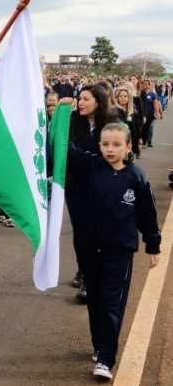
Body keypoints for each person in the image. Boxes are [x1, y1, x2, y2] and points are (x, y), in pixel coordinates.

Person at [62, 119, 161, 381]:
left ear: (128, 147)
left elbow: (147, 214)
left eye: (116, 144)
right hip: (89, 248)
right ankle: (99, 345)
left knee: (111, 302)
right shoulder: (91, 167)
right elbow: (65, 148)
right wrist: (58, 115)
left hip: (119, 250)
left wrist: (153, 244)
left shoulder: (136, 177)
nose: (110, 149)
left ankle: (106, 358)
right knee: (94, 300)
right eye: (105, 144)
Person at [66, 85, 119, 301]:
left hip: (101, 186)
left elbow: (111, 155)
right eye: (79, 98)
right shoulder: (72, 121)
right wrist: (93, 159)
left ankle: (90, 278)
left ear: (98, 101)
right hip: (76, 185)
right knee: (80, 232)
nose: (81, 102)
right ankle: (83, 270)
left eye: (86, 98)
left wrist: (84, 157)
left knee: (95, 232)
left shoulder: (111, 124)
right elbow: (65, 149)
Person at [114, 86, 142, 160]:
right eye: (120, 96)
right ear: (117, 98)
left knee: (129, 163)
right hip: (118, 141)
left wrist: (139, 138)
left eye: (125, 96)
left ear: (129, 98)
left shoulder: (133, 111)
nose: (123, 98)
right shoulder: (114, 111)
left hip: (131, 141)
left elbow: (137, 126)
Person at [140, 79, 162, 148]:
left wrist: (157, 112)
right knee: (141, 128)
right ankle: (141, 141)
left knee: (148, 128)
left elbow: (156, 104)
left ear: (149, 85)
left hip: (150, 114)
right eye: (144, 84)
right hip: (141, 114)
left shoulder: (152, 94)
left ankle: (146, 142)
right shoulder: (140, 93)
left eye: (147, 84)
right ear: (142, 85)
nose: (145, 85)